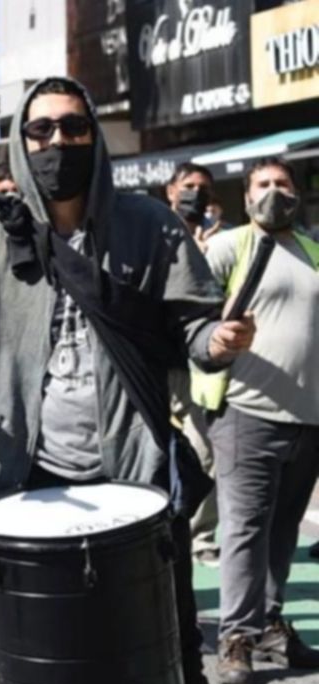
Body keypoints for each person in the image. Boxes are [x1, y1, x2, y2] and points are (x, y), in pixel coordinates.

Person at [0, 76, 254, 684]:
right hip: (29, 477)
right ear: (22, 143)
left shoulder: (149, 226)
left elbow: (194, 326)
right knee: (24, 660)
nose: (58, 141)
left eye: (74, 126)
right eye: (42, 129)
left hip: (136, 474)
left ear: (95, 137)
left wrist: (220, 341)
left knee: (160, 655)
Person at [201, 157, 319, 684]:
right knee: (245, 530)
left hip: (308, 419)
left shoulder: (313, 251)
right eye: (263, 185)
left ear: (297, 193)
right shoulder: (229, 246)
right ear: (246, 198)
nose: (275, 192)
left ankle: (269, 624)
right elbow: (194, 321)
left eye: (283, 184)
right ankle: (236, 637)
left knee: (282, 531)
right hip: (246, 411)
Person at [165, 163, 223, 566]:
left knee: (204, 448)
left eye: (202, 188)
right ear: (170, 190)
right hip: (152, 359)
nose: (194, 195)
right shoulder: (151, 229)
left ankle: (198, 536)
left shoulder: (220, 239)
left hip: (196, 365)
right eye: (188, 187)